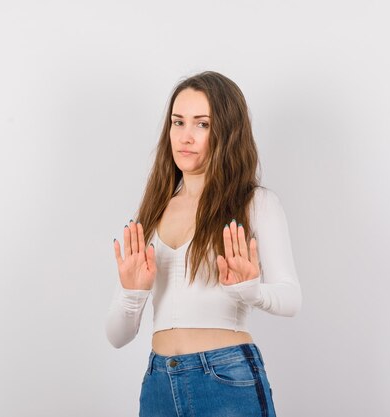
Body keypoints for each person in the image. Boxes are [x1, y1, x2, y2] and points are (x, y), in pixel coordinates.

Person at [105, 71, 301, 417]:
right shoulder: (153, 209)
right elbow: (117, 336)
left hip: (225, 378)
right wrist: (132, 294)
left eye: (202, 124)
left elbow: (290, 299)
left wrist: (250, 291)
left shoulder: (255, 203)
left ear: (227, 131)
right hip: (158, 383)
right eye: (178, 122)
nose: (186, 137)